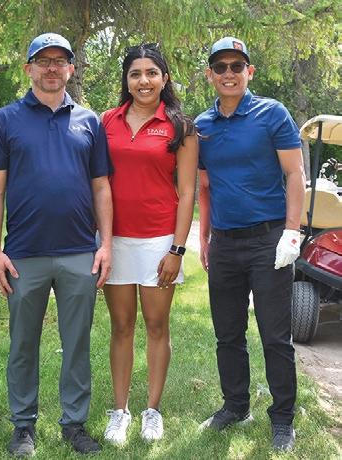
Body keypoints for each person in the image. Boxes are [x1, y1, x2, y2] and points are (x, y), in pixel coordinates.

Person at [0, 33, 112, 457]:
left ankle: (74, 424)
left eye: (60, 61)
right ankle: (23, 426)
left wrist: (106, 244)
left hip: (79, 251)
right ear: (29, 69)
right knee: (23, 344)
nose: (52, 68)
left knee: (77, 344)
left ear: (71, 68)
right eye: (43, 61)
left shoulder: (89, 121)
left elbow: (101, 187)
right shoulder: (5, 120)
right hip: (24, 253)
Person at [196, 37, 305, 451]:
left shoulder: (271, 113)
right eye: (221, 67)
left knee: (275, 335)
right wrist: (204, 236)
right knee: (228, 333)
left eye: (236, 66)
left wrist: (292, 232)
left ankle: (283, 418)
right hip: (225, 243)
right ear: (210, 74)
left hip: (268, 240)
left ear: (249, 72)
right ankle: (236, 406)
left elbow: (294, 174)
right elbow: (205, 186)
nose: (229, 74)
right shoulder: (202, 126)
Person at [100, 43, 198, 444]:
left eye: (151, 73)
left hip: (160, 240)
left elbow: (188, 193)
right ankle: (119, 411)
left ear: (165, 78)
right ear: (126, 80)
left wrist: (177, 250)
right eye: (136, 73)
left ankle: (152, 411)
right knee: (121, 326)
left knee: (157, 326)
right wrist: (102, 242)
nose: (144, 81)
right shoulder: (106, 121)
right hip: (115, 239)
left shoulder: (181, 127)